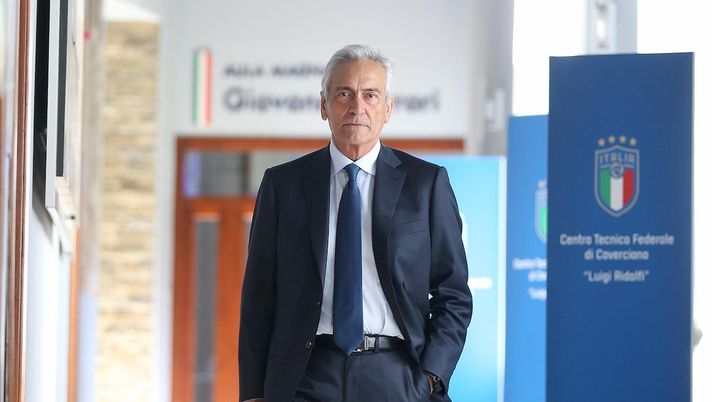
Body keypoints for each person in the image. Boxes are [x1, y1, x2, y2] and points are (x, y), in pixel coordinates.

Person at [239, 44, 472, 402]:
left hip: (397, 375)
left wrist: (430, 376)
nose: (357, 107)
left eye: (370, 95)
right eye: (344, 93)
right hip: (305, 376)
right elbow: (259, 295)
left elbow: (453, 293)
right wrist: (254, 392)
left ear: (388, 109)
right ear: (324, 105)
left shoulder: (426, 184)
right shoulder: (282, 185)